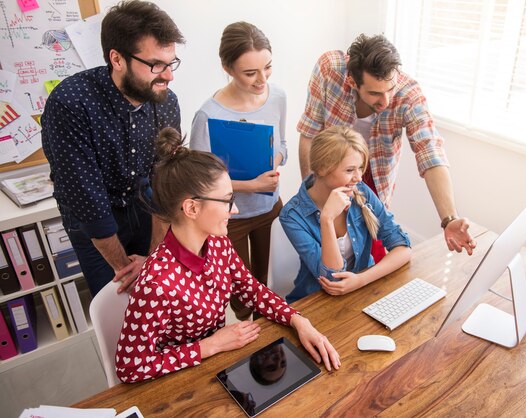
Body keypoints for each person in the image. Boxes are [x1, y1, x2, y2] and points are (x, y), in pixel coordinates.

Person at [115, 128, 340, 382]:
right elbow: (129, 368)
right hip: (178, 380)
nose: (235, 209)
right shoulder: (157, 283)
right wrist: (209, 346)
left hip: (218, 365)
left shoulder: (218, 242)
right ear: (191, 207)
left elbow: (251, 290)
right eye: (227, 200)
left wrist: (299, 321)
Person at [41, 0, 185, 296]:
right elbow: (89, 204)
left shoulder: (166, 101)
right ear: (117, 60)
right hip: (93, 215)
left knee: (159, 291)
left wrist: (152, 258)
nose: (169, 76)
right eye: (156, 65)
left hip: (143, 200)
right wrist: (125, 270)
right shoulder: (70, 104)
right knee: (118, 300)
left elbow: (164, 181)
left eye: (170, 63)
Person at [297, 34, 475, 258]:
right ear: (353, 82)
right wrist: (312, 193)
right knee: (327, 245)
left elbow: (430, 152)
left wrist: (449, 218)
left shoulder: (409, 95)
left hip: (375, 178)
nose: (386, 100)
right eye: (374, 93)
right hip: (331, 170)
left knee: (370, 252)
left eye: (390, 89)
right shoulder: (329, 70)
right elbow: (309, 133)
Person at [190, 22, 286, 321]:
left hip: (270, 207)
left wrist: (275, 158)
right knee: (242, 296)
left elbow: (282, 143)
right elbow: (199, 182)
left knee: (269, 282)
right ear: (227, 68)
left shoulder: (277, 96)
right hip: (229, 219)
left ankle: (266, 337)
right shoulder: (208, 115)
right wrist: (249, 185)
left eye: (267, 68)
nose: (262, 80)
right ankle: (248, 337)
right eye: (250, 73)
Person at [280, 126, 412, 303]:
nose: (358, 177)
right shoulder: (292, 215)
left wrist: (361, 280)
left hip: (362, 291)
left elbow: (403, 248)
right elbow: (332, 279)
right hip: (316, 300)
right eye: (350, 170)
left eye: (360, 168)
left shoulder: (361, 192)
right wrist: (327, 219)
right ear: (321, 169)